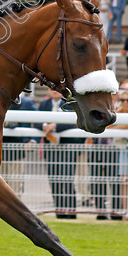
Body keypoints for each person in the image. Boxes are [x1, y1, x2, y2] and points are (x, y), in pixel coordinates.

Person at [39, 89, 83, 219]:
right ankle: (59, 212)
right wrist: (43, 126)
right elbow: (36, 121)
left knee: (67, 180)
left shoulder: (71, 103)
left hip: (68, 148)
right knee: (54, 181)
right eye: (52, 89)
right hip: (51, 148)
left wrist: (55, 126)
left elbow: (75, 122)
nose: (54, 91)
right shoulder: (44, 104)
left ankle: (71, 212)